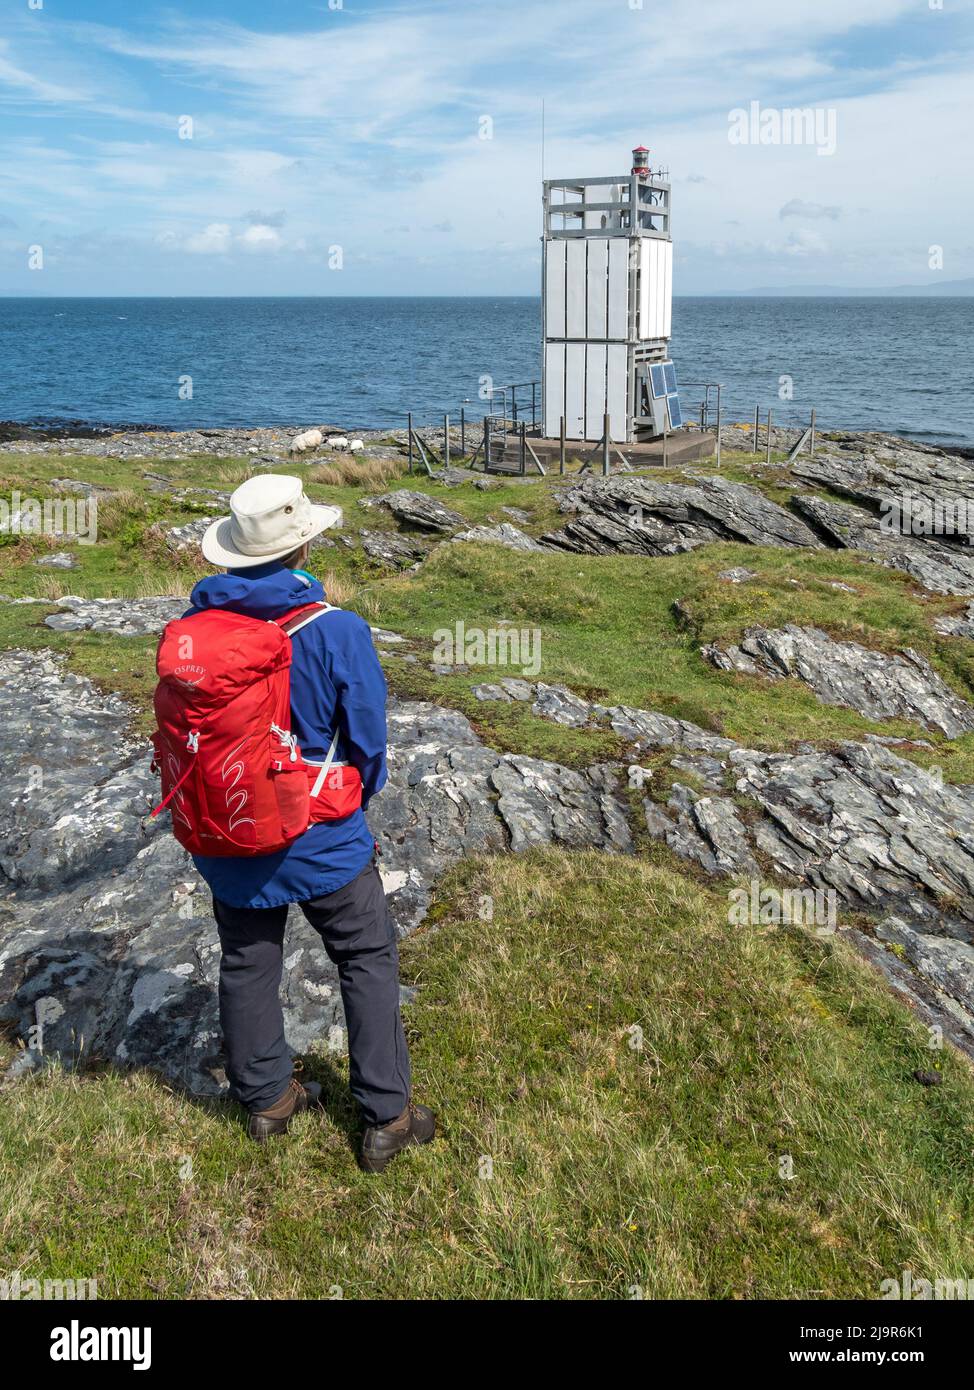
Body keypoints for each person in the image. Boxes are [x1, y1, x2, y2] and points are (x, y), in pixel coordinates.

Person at [187, 473, 434, 1171]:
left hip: (230, 831)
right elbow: (368, 740)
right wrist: (357, 795)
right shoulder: (337, 630)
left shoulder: (195, 633)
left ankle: (267, 1101)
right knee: (364, 958)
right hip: (322, 836)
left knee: (247, 961)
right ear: (301, 550)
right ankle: (388, 1116)